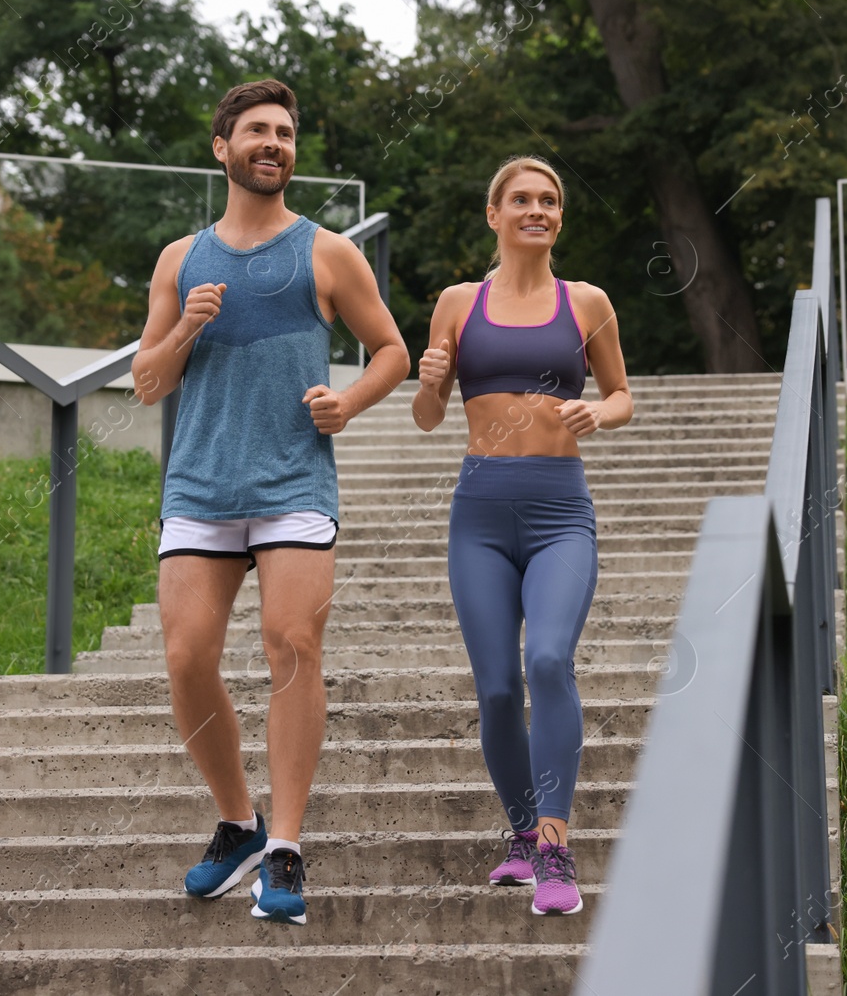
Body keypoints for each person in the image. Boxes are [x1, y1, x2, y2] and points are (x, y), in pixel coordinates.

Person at [131, 78, 409, 926]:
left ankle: (285, 844)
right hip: (201, 485)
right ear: (221, 148)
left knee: (291, 642)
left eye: (284, 133)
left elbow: (394, 348)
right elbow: (147, 381)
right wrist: (186, 328)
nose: (272, 143)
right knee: (186, 657)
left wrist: (348, 402)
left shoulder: (328, 252)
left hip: (293, 482)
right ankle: (237, 820)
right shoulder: (181, 260)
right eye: (255, 130)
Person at [410, 155, 633, 916]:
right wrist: (432, 378)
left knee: (546, 659)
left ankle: (556, 846)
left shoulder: (589, 301)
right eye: (522, 199)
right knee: (498, 687)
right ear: (494, 214)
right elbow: (427, 417)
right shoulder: (455, 302)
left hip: (559, 510)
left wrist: (597, 415)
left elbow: (622, 396)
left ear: (559, 218)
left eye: (549, 200)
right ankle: (517, 838)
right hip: (478, 514)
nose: (537, 209)